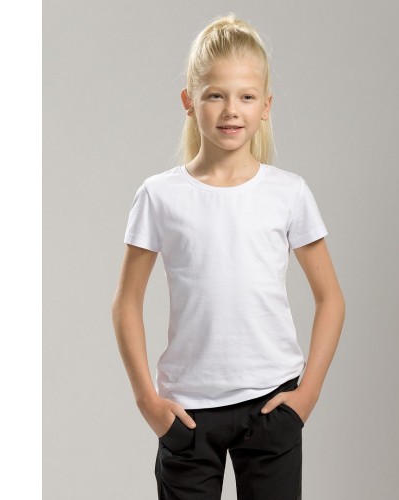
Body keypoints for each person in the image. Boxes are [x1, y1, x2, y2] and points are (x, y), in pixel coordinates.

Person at [111, 12, 345, 500]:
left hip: (272, 405)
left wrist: (306, 396)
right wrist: (147, 402)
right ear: (189, 102)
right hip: (187, 414)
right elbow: (126, 303)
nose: (231, 110)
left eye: (246, 97)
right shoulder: (159, 195)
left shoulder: (288, 193)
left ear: (266, 107)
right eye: (215, 95)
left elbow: (331, 299)